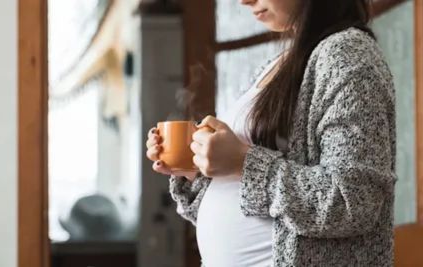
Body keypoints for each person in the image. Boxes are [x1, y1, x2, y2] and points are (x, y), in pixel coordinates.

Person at [146, 0, 396, 266]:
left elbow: (354, 201)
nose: (244, 1)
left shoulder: (347, 54)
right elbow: (253, 201)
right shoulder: (277, 65)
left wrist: (243, 163)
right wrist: (198, 171)